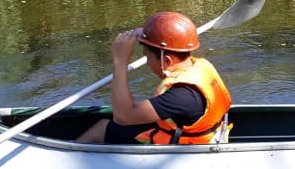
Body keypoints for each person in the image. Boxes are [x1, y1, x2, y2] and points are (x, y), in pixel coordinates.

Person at [76, 11, 232, 144]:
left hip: (182, 150)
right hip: (202, 133)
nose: (148, 64)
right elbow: (171, 38)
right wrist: (146, 33)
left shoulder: (181, 97)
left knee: (101, 128)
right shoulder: (195, 67)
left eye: (147, 57)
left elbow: (123, 117)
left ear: (167, 61)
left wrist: (120, 62)